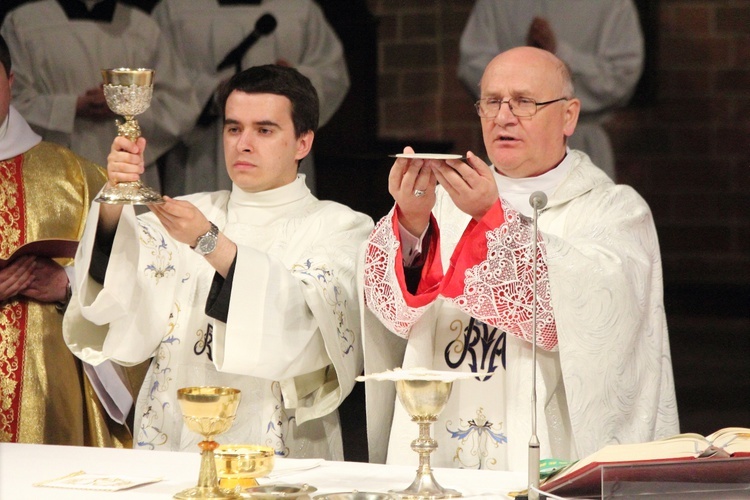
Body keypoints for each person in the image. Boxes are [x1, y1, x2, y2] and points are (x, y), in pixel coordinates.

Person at [361, 47, 678, 472]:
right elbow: (393, 316)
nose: (503, 117)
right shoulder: (444, 202)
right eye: (491, 101)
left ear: (569, 116)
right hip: (438, 442)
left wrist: (493, 219)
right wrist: (413, 223)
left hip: (548, 449)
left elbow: (571, 317)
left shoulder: (614, 211)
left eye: (524, 102)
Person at [63, 64, 373, 459]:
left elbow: (306, 333)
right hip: (174, 436)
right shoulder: (189, 210)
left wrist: (209, 242)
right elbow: (115, 299)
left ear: (302, 143)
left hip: (278, 448)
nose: (243, 143)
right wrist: (115, 199)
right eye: (233, 128)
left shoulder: (341, 227)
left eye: (264, 130)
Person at [0, 33, 131, 447]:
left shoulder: (75, 177)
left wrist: (68, 284)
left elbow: (137, 275)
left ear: (11, 82)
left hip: (51, 396)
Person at [152, 0, 350, 196]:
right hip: (202, 150)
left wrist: (293, 81)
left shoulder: (301, 9)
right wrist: (212, 92)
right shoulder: (175, 9)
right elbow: (161, 76)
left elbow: (331, 74)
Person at [0, 0, 201, 192]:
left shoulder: (144, 28)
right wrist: (73, 106)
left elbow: (180, 105)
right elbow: (12, 101)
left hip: (129, 172)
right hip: (52, 171)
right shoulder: (25, 22)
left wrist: (123, 105)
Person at [457, 0, 644, 180]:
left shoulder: (612, 4)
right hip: (508, 149)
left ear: (570, 113)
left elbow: (622, 75)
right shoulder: (495, 3)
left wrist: (559, 53)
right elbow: (472, 64)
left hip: (582, 139)